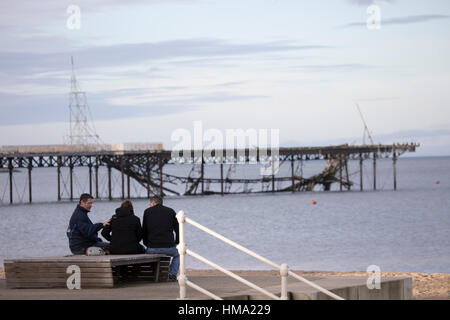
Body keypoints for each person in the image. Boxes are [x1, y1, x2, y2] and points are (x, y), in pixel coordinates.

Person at [142, 195, 179, 281]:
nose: (149, 205)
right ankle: (172, 274)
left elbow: (144, 230)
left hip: (152, 248)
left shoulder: (147, 212)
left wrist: (147, 244)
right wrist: (177, 242)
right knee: (178, 255)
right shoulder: (171, 211)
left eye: (150, 203)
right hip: (169, 247)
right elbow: (178, 229)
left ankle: (155, 273)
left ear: (153, 203)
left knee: (147, 252)